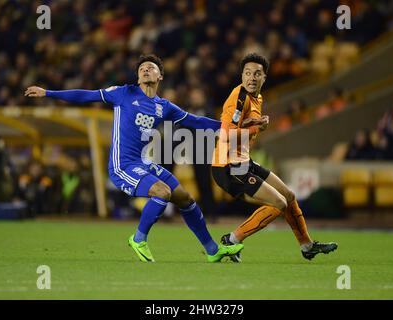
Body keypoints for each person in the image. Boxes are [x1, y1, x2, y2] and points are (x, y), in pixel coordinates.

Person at [25, 54, 243, 263]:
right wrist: (48, 93)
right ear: (138, 77)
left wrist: (233, 127)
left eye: (151, 68)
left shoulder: (164, 106)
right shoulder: (123, 93)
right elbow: (86, 95)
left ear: (160, 77)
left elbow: (195, 121)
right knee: (162, 192)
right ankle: (138, 239)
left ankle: (213, 250)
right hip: (123, 165)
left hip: (143, 163)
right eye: (141, 69)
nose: (146, 70)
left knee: (184, 198)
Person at [211, 53, 337, 262]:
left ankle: (307, 245)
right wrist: (256, 128)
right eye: (248, 73)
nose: (252, 78)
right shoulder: (239, 98)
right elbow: (224, 135)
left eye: (257, 74)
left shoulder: (257, 98)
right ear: (241, 76)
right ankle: (232, 239)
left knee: (288, 196)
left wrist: (254, 123)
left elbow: (237, 126)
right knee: (279, 203)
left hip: (243, 162)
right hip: (228, 166)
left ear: (264, 78)